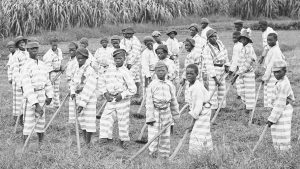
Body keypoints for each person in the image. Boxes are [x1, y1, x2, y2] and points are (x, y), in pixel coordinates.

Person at [98, 49, 136, 149]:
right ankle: (105, 138)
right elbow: (101, 82)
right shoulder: (108, 70)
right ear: (113, 59)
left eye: (120, 58)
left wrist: (122, 95)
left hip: (122, 100)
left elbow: (133, 89)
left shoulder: (126, 72)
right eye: (116, 58)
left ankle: (124, 140)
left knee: (123, 120)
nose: (118, 60)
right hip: (110, 99)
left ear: (124, 59)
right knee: (105, 118)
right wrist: (105, 94)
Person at [21, 41, 53, 146]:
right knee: (29, 123)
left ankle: (41, 144)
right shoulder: (26, 66)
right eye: (32, 48)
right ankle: (25, 146)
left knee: (41, 121)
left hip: (42, 95)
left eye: (36, 48)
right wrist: (35, 104)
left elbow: (47, 81)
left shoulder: (43, 64)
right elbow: (27, 86)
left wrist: (49, 95)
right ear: (28, 50)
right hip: (31, 97)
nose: (35, 50)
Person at [146, 61, 179, 158]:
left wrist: (175, 114)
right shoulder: (152, 85)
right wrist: (150, 117)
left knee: (165, 134)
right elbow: (149, 103)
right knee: (153, 134)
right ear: (155, 72)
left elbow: (173, 100)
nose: (161, 72)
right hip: (155, 112)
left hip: (167, 112)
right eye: (158, 70)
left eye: (163, 70)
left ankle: (164, 154)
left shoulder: (169, 84)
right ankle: (153, 153)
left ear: (167, 71)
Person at [70, 47, 98, 146]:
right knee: (82, 120)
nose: (80, 60)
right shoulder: (77, 68)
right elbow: (73, 82)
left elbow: (89, 88)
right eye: (78, 58)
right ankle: (84, 140)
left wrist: (82, 104)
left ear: (86, 58)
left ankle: (88, 142)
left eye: (82, 58)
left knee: (89, 120)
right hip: (78, 97)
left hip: (88, 98)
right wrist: (72, 91)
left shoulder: (90, 70)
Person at [266, 60, 294, 152]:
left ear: (285, 71)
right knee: (276, 130)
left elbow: (280, 104)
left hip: (283, 110)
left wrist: (271, 119)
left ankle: (284, 153)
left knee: (283, 131)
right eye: (274, 72)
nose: (276, 74)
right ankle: (278, 150)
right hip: (278, 109)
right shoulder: (280, 81)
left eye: (278, 72)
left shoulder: (283, 84)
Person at [185, 64, 212, 155]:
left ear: (197, 74)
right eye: (187, 73)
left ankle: (198, 154)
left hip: (203, 111)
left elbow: (198, 106)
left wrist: (192, 123)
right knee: (202, 132)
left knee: (197, 132)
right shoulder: (191, 85)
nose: (189, 75)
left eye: (191, 73)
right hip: (201, 109)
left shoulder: (196, 87)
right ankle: (205, 152)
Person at [203, 29, 230, 119]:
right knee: (213, 91)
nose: (214, 38)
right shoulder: (207, 48)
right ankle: (213, 109)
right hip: (214, 70)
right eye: (212, 37)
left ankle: (221, 108)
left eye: (215, 36)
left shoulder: (220, 44)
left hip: (222, 69)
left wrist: (227, 65)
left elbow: (225, 54)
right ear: (208, 38)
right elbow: (209, 64)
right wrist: (214, 78)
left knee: (222, 89)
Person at [261, 33, 285, 108]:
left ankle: (273, 111)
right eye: (267, 40)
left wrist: (265, 77)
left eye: (271, 40)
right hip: (271, 74)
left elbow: (270, 66)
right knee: (270, 93)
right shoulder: (272, 49)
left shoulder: (276, 51)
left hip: (274, 76)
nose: (269, 42)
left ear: (276, 40)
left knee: (272, 93)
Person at [236, 29, 257, 114]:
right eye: (241, 39)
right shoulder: (242, 47)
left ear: (247, 40)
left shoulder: (249, 48)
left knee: (249, 92)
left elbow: (248, 62)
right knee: (242, 91)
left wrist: (239, 72)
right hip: (242, 73)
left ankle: (249, 109)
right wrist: (238, 70)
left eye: (244, 39)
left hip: (248, 73)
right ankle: (245, 105)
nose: (242, 40)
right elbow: (240, 61)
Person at [11, 36, 29, 126]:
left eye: (23, 42)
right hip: (19, 82)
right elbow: (15, 71)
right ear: (17, 45)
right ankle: (17, 120)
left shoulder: (27, 53)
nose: (22, 44)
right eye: (20, 43)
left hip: (27, 80)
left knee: (26, 100)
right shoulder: (16, 56)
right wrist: (19, 84)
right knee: (18, 102)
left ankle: (25, 119)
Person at [120, 27, 142, 97]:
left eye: (129, 34)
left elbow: (135, 53)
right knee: (135, 77)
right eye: (126, 34)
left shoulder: (135, 41)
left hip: (135, 61)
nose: (127, 35)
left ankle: (133, 93)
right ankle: (135, 93)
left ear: (132, 34)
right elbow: (122, 50)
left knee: (130, 77)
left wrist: (130, 63)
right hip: (127, 61)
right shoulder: (123, 40)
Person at [43, 37, 63, 109]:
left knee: (57, 90)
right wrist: (49, 77)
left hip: (58, 73)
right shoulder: (48, 54)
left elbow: (60, 61)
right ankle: (50, 106)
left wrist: (61, 68)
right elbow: (47, 67)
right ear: (50, 44)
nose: (54, 44)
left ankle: (57, 105)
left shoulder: (59, 51)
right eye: (53, 43)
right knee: (51, 89)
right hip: (52, 73)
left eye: (56, 42)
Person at [65, 42, 79, 124]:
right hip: (70, 83)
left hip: (75, 84)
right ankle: (72, 121)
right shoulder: (70, 60)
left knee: (75, 101)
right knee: (71, 102)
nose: (71, 52)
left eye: (73, 50)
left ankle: (75, 121)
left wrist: (72, 86)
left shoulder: (77, 61)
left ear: (76, 50)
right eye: (70, 50)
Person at [6, 41, 18, 125]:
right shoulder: (10, 56)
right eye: (9, 47)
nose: (11, 49)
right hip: (13, 79)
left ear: (15, 47)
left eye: (12, 47)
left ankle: (19, 117)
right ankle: (15, 116)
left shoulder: (18, 55)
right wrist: (10, 78)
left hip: (19, 79)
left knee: (19, 99)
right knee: (15, 98)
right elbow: (9, 68)